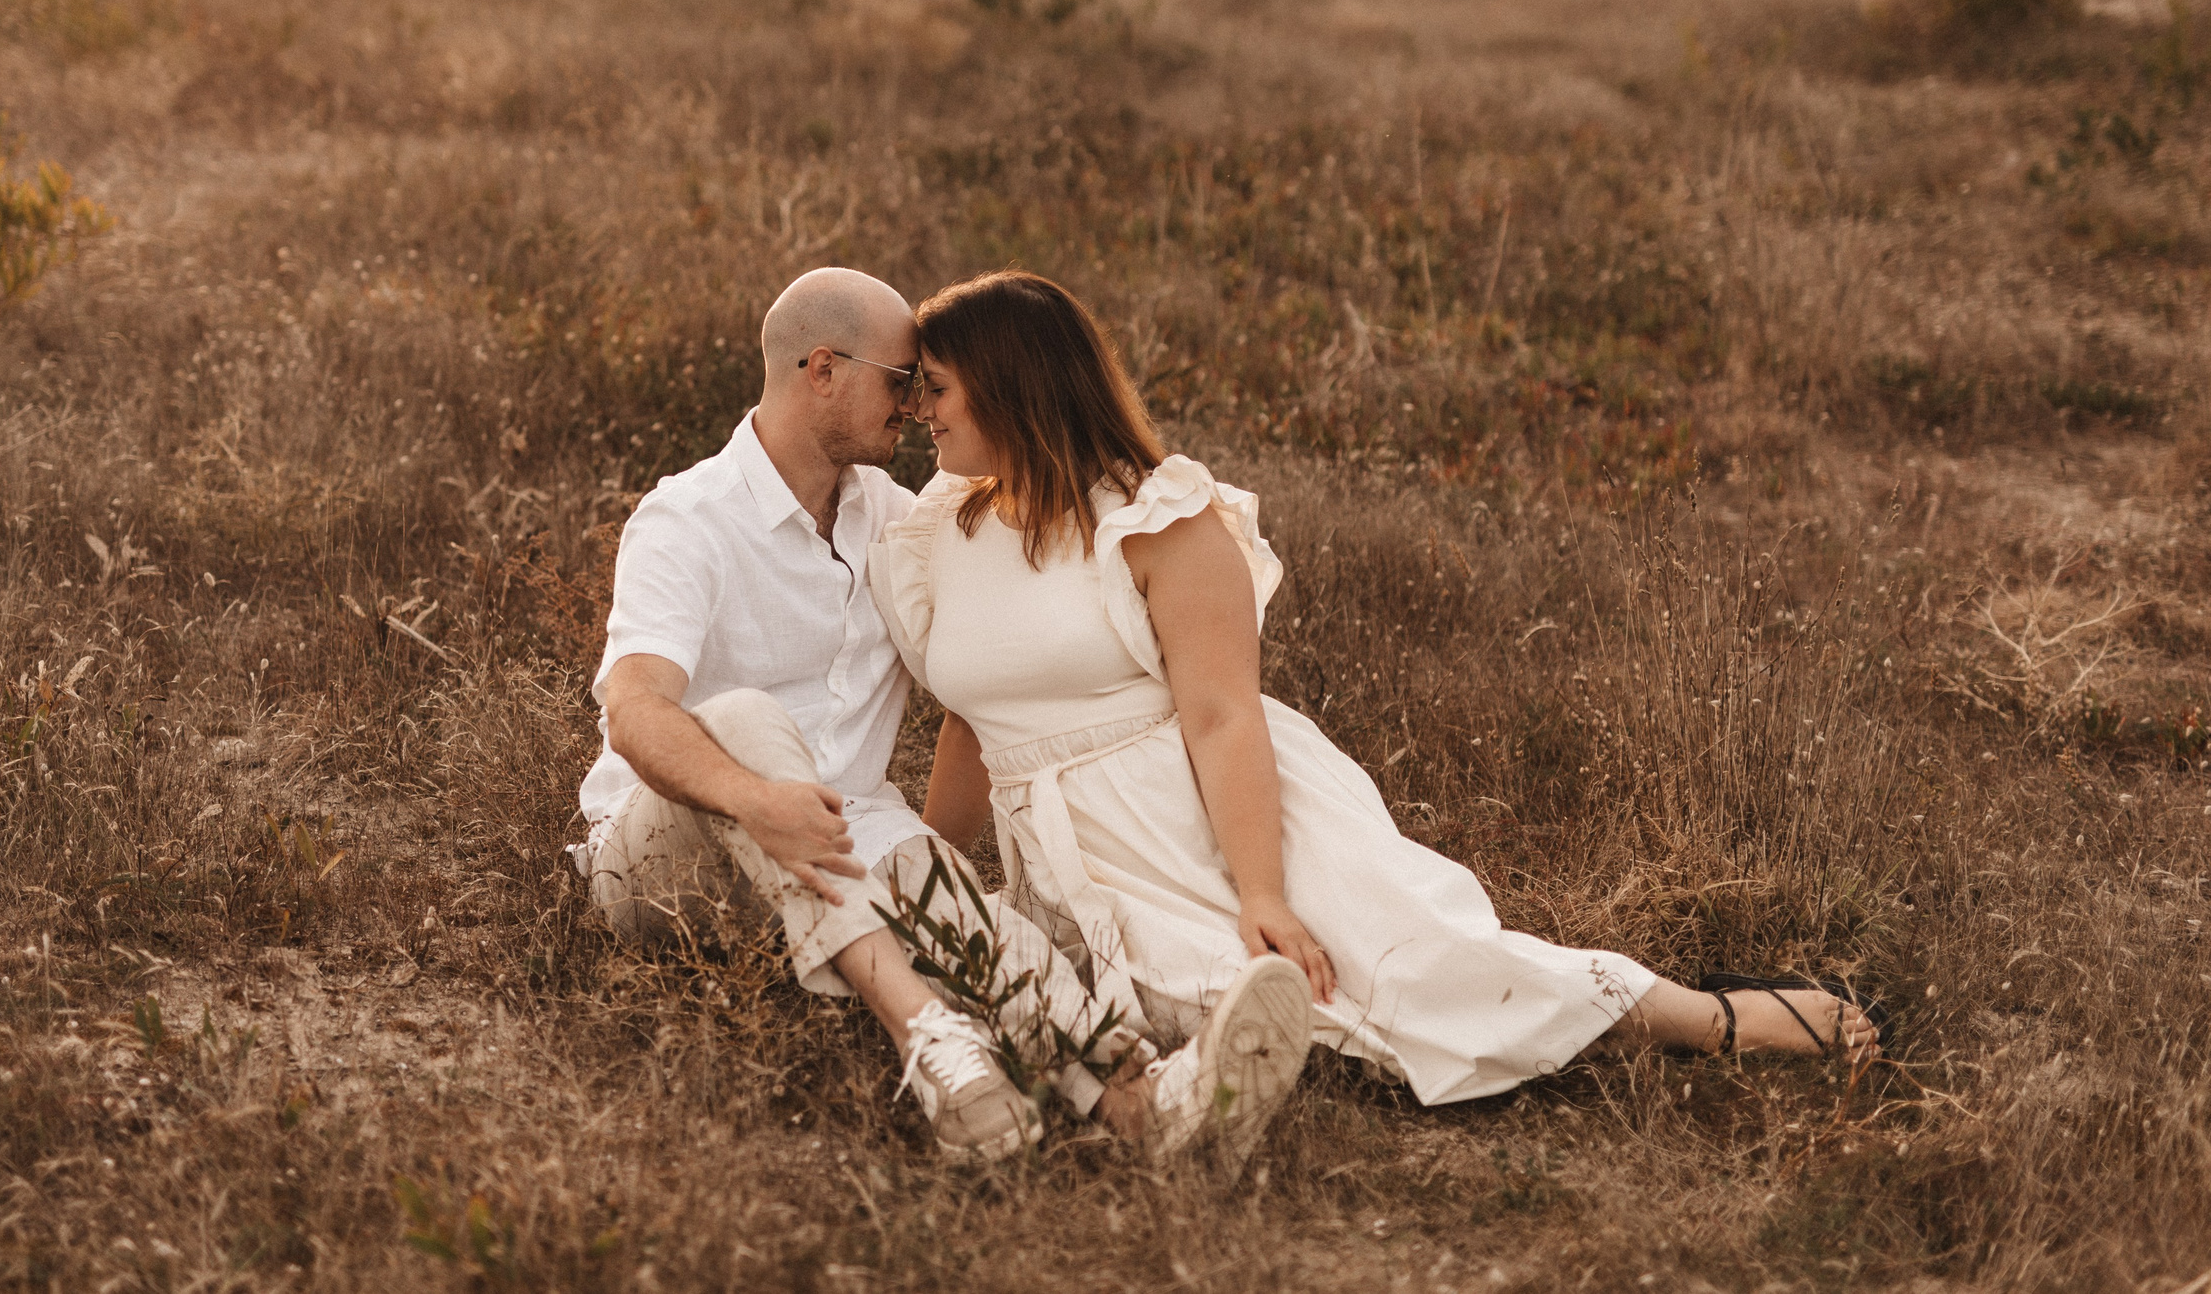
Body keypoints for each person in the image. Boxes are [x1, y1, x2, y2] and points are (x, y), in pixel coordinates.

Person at [866, 270, 1879, 1118]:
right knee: (1212, 1012)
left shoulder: (1158, 520)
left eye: (938, 390)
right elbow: (973, 717)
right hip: (1064, 846)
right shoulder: (938, 532)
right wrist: (937, 871)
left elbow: (1222, 714)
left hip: (1205, 812)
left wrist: (1261, 893)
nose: (917, 413)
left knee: (1413, 980)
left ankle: (1712, 1019)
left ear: (1012, 387)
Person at [574, 267, 1311, 1168]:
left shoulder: (901, 522)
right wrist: (753, 800)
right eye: (901, 380)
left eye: (927, 386)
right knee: (743, 717)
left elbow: (1003, 651)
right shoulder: (686, 519)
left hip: (845, 835)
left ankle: (1145, 1103)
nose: (916, 405)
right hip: (666, 860)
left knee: (994, 928)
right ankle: (932, 1042)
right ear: (821, 369)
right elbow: (634, 708)